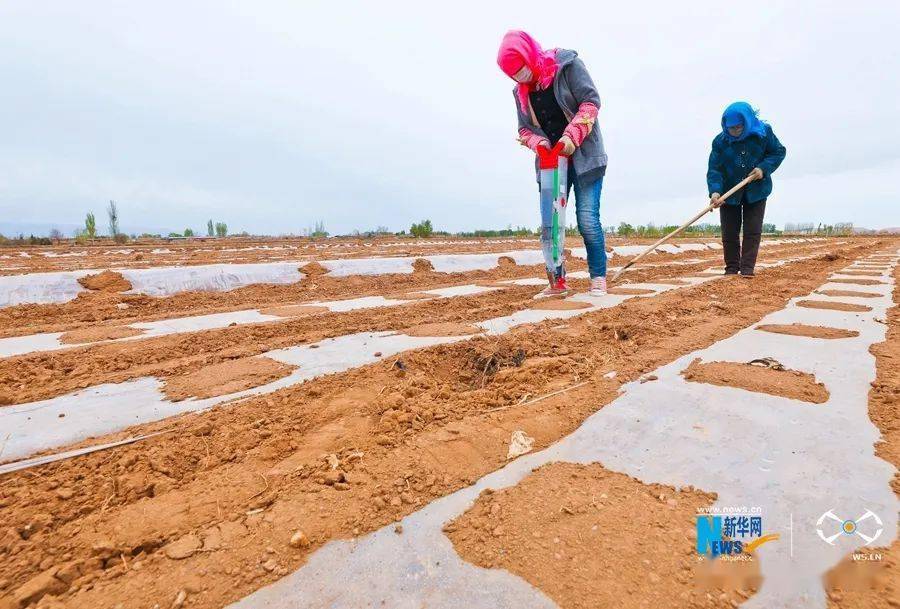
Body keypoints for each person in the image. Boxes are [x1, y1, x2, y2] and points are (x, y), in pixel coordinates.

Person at [496, 30, 608, 297]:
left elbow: (591, 102)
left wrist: (572, 136)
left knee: (587, 218)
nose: (521, 77)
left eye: (522, 69)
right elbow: (524, 130)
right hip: (551, 162)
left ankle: (598, 278)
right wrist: (539, 143)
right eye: (514, 74)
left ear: (530, 54)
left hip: (584, 155)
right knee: (550, 224)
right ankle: (557, 282)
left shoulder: (567, 66)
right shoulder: (520, 92)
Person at [707, 102, 786, 277]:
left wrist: (763, 169)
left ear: (747, 122)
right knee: (729, 232)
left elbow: (778, 152)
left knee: (752, 229)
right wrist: (715, 192)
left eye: (738, 127)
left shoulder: (764, 133)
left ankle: (747, 268)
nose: (734, 131)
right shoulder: (720, 142)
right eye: (730, 128)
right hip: (729, 193)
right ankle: (732, 267)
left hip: (757, 191)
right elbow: (715, 169)